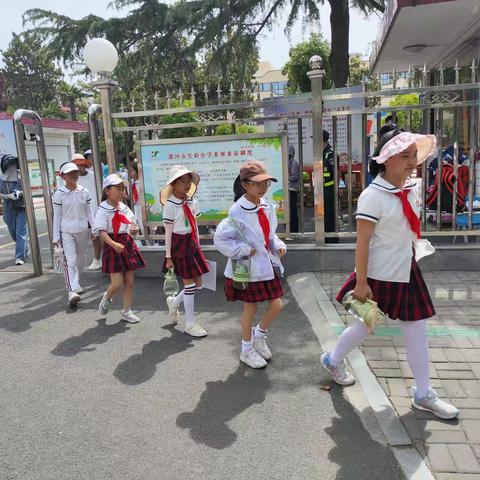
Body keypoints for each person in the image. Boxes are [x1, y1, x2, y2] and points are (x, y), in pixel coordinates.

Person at [321, 127, 459, 420]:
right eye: (403, 156)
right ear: (385, 159)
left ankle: (423, 394)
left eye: (413, 155)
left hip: (407, 272)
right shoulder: (373, 196)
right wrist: (360, 282)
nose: (411, 162)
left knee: (417, 332)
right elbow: (363, 241)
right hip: (378, 277)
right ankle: (332, 360)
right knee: (363, 327)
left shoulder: (410, 189)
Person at [214, 160, 286, 369]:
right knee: (250, 307)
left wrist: (278, 244)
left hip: (266, 262)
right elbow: (221, 238)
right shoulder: (237, 211)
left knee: (277, 304)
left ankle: (259, 336)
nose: (263, 188)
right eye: (258, 183)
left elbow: (269, 234)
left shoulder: (267, 206)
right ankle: (246, 349)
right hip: (246, 266)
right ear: (245, 184)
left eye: (266, 183)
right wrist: (243, 250)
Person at [161, 165, 209, 338]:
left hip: (192, 244)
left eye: (188, 180)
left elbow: (194, 225)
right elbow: (168, 231)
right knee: (189, 285)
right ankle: (190, 324)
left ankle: (174, 303)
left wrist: (198, 245)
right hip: (178, 245)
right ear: (173, 184)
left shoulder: (192, 201)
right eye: (182, 181)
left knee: (198, 285)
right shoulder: (170, 205)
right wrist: (168, 257)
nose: (187, 184)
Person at [94, 174, 146, 323]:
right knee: (117, 283)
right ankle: (107, 297)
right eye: (118, 188)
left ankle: (126, 311)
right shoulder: (102, 210)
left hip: (127, 244)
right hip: (113, 245)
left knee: (129, 280)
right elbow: (101, 232)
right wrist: (114, 244)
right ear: (107, 191)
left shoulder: (124, 207)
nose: (121, 191)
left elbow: (131, 225)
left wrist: (134, 229)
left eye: (122, 188)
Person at [52, 162, 94, 306]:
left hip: (83, 230)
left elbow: (89, 212)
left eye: (75, 172)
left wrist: (94, 228)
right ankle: (72, 291)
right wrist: (55, 237)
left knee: (81, 260)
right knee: (70, 260)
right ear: (63, 176)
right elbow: (56, 216)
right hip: (66, 232)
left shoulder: (84, 191)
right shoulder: (59, 194)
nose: (73, 175)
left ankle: (75, 284)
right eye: (70, 173)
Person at [71, 153, 103, 271]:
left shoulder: (94, 176)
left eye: (81, 165)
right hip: (78, 214)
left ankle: (97, 260)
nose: (79, 168)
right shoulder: (72, 180)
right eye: (76, 166)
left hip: (95, 211)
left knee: (97, 237)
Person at [0, 154, 28, 265]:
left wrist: (20, 193)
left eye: (14, 164)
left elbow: (27, 190)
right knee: (13, 232)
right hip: (8, 206)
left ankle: (19, 256)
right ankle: (24, 246)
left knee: (20, 231)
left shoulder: (21, 176)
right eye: (10, 164)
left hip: (21, 206)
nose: (13, 166)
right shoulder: (1, 179)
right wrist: (7, 196)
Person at [322, 129, 338, 243]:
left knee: (330, 215)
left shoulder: (330, 153)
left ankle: (332, 239)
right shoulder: (322, 153)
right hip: (322, 190)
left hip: (330, 189)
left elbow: (335, 173)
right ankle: (325, 237)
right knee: (323, 215)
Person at [287, 144, 300, 234]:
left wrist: (285, 178)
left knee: (292, 211)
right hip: (287, 189)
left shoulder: (294, 162)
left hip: (292, 189)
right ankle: (288, 230)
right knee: (287, 211)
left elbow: (294, 176)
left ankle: (294, 230)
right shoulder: (286, 161)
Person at [130, 162, 144, 235]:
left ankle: (149, 242)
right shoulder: (131, 182)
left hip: (142, 206)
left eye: (132, 171)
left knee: (142, 226)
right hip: (135, 207)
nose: (131, 173)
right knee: (135, 224)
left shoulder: (142, 182)